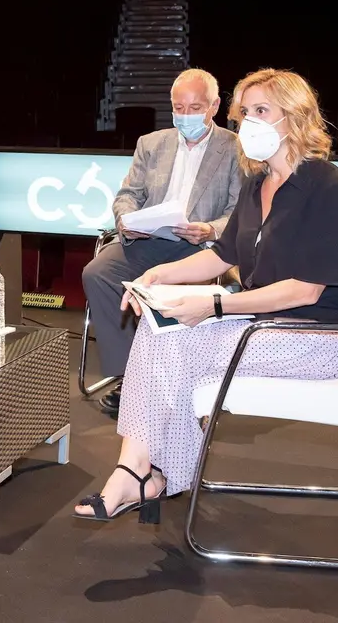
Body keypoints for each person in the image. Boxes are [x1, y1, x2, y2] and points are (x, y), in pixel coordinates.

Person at [73, 68, 338, 522]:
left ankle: (148, 476)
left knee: (175, 338)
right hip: (266, 326)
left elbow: (305, 291)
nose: (247, 122)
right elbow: (220, 255)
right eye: (245, 112)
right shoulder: (257, 185)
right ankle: (138, 472)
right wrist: (160, 274)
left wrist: (213, 305)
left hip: (323, 337)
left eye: (261, 111)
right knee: (158, 332)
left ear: (294, 117)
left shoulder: (326, 186)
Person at [83, 68, 242, 414]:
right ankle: (130, 378)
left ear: (214, 106)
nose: (186, 116)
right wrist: (127, 221)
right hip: (147, 241)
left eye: (194, 107)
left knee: (182, 291)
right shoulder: (151, 144)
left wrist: (210, 229)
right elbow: (126, 195)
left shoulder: (234, 149)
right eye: (178, 108)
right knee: (97, 273)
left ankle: (182, 383)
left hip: (198, 249)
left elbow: (238, 211)